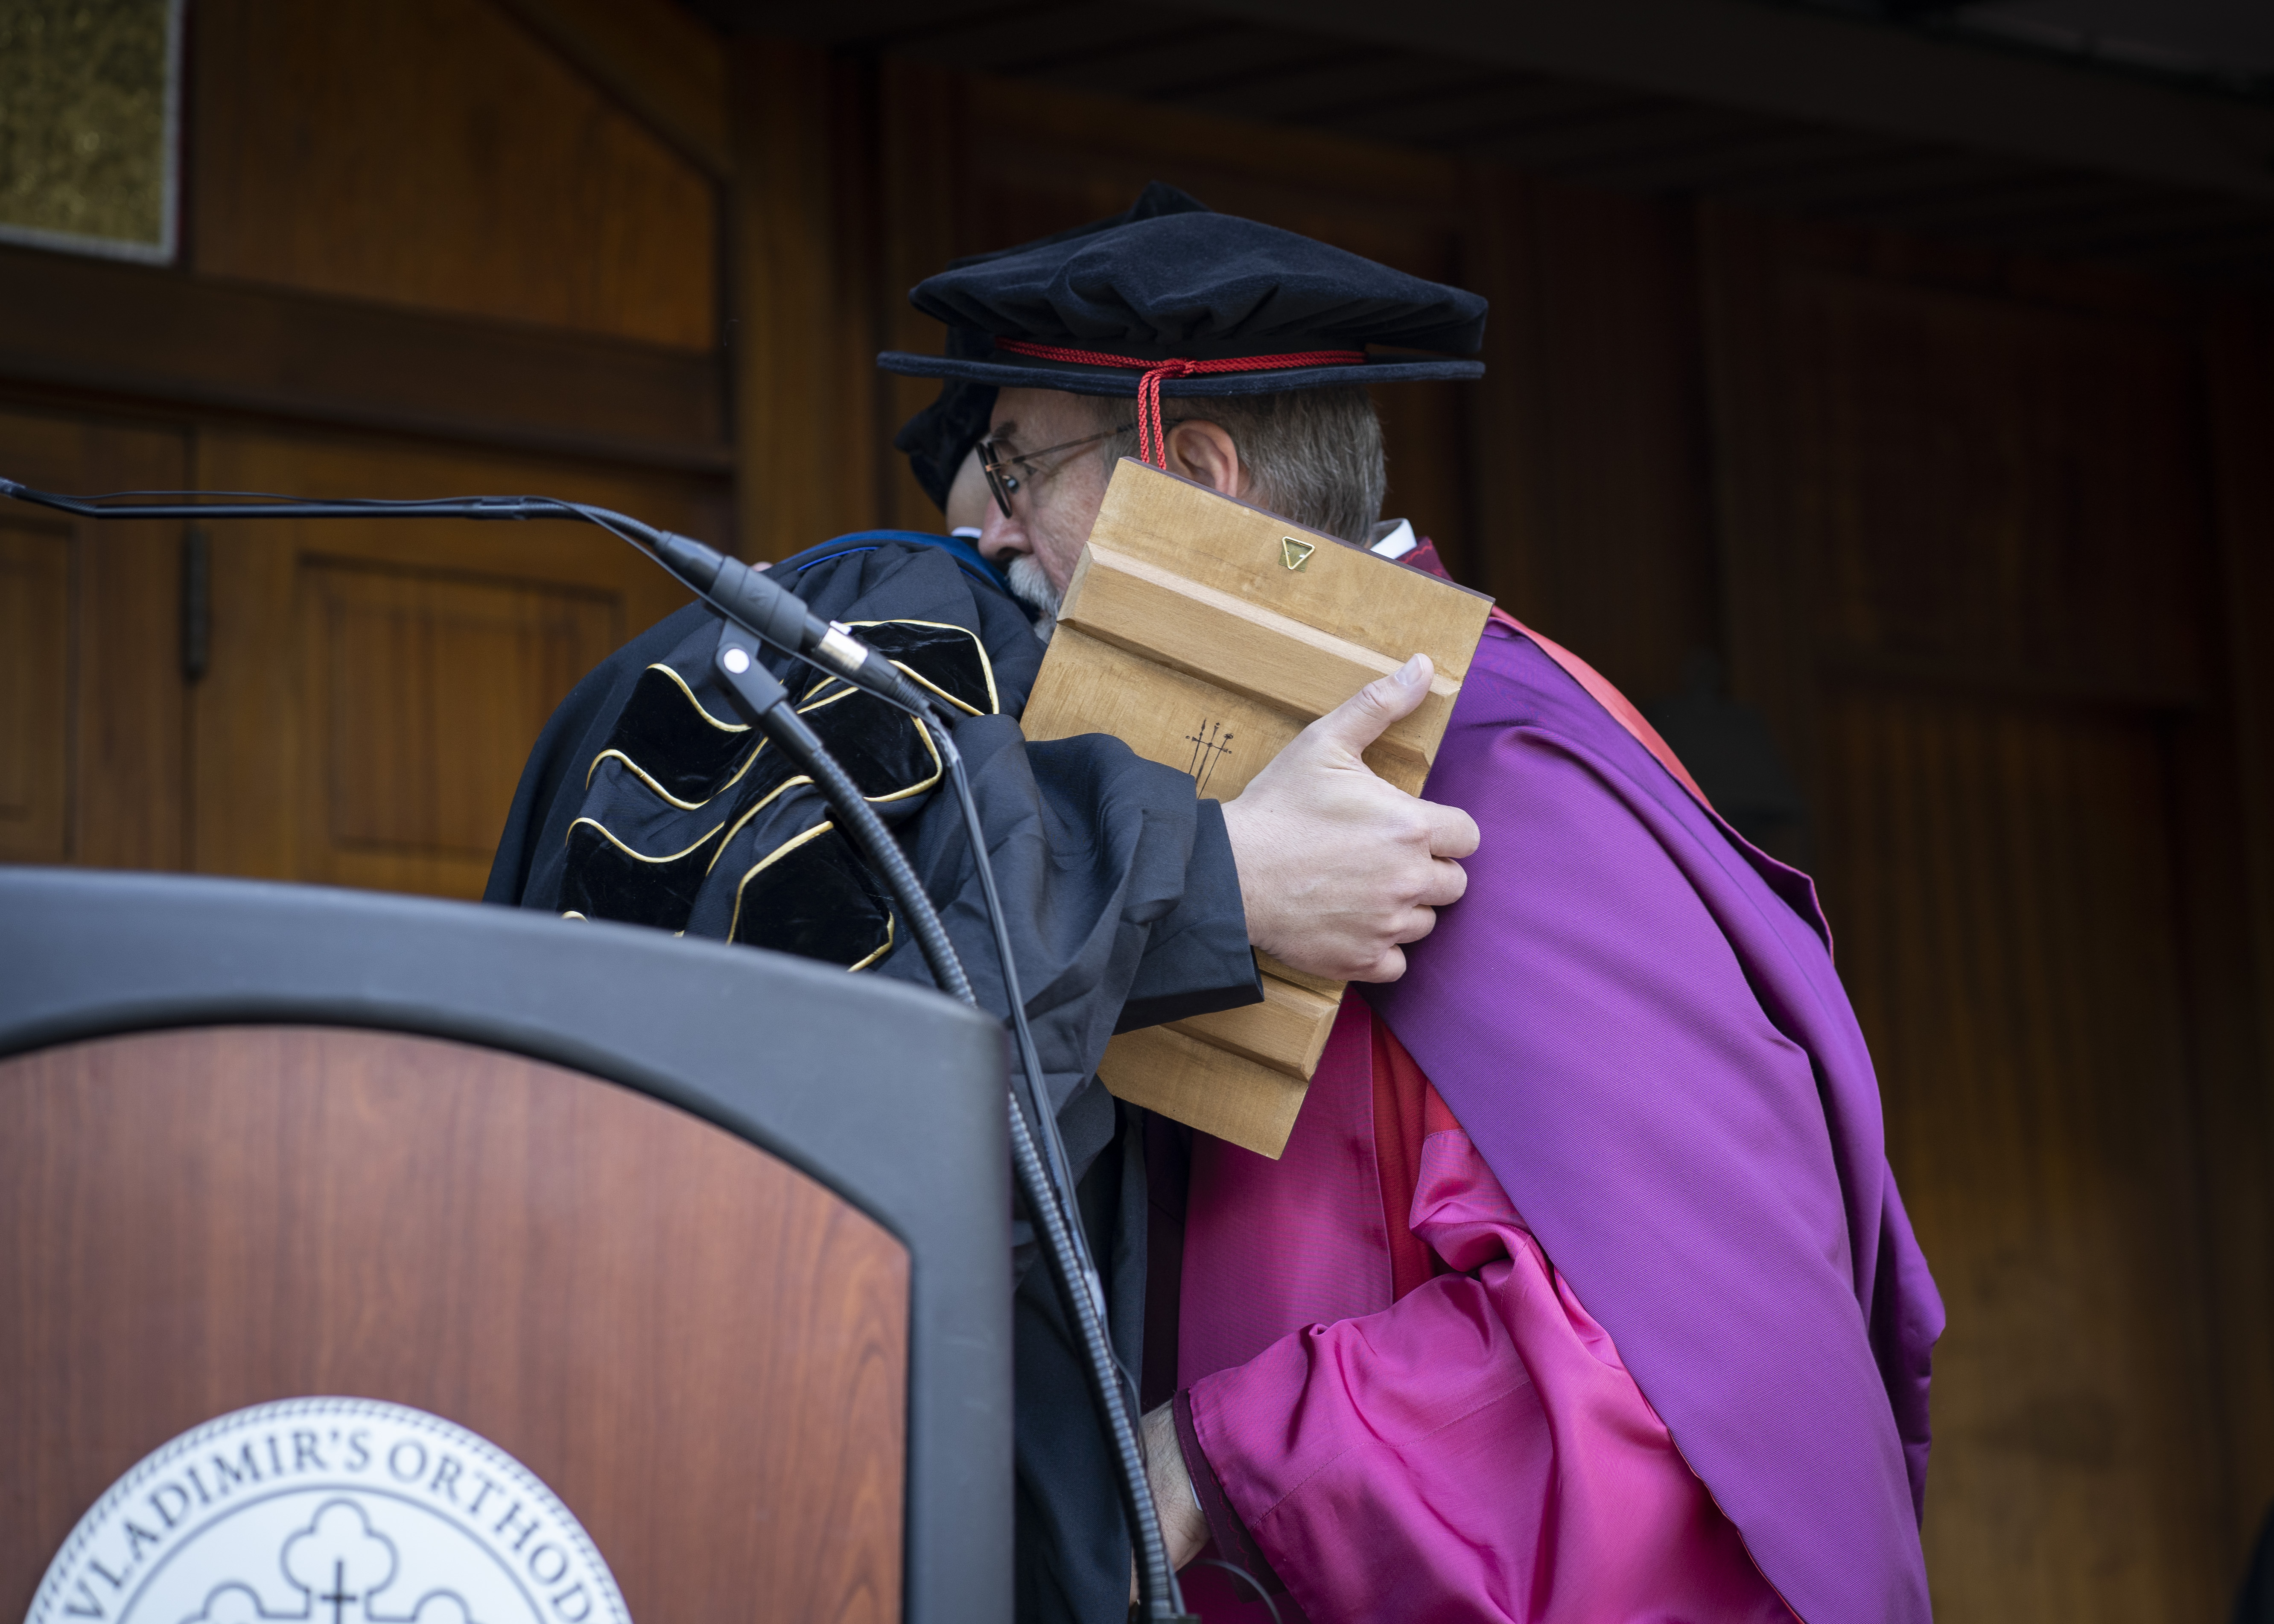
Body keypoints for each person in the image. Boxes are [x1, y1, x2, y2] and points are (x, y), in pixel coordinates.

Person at [876, 198, 1944, 1623]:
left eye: (1017, 466)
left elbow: (1660, 1373)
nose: (989, 529)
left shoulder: (1504, 775)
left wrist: (1203, 1460)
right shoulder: (1236, 780)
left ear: (1193, 470)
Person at [484, 186, 1482, 1624]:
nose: (1004, 536)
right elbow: (803, 1064)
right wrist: (1218, 877)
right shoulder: (900, 603)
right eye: (996, 475)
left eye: (1023, 473)